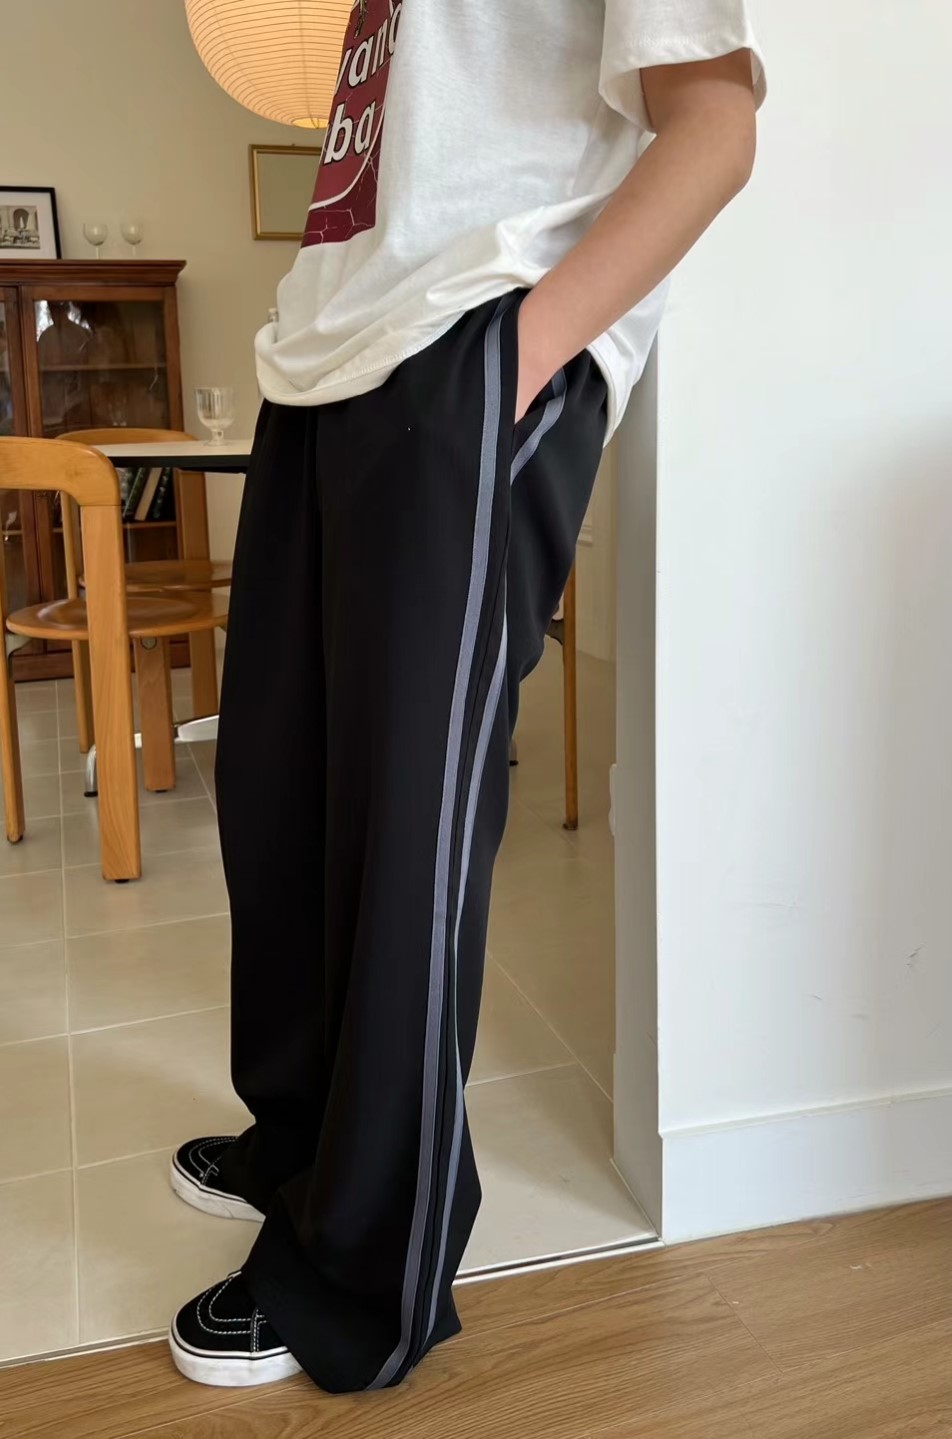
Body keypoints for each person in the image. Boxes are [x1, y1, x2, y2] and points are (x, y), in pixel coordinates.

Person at [169, 0, 766, 1397]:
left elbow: (716, 123)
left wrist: (521, 353)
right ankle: (302, 1147)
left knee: (407, 832)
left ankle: (364, 1271)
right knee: (279, 794)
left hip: (467, 345)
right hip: (324, 359)